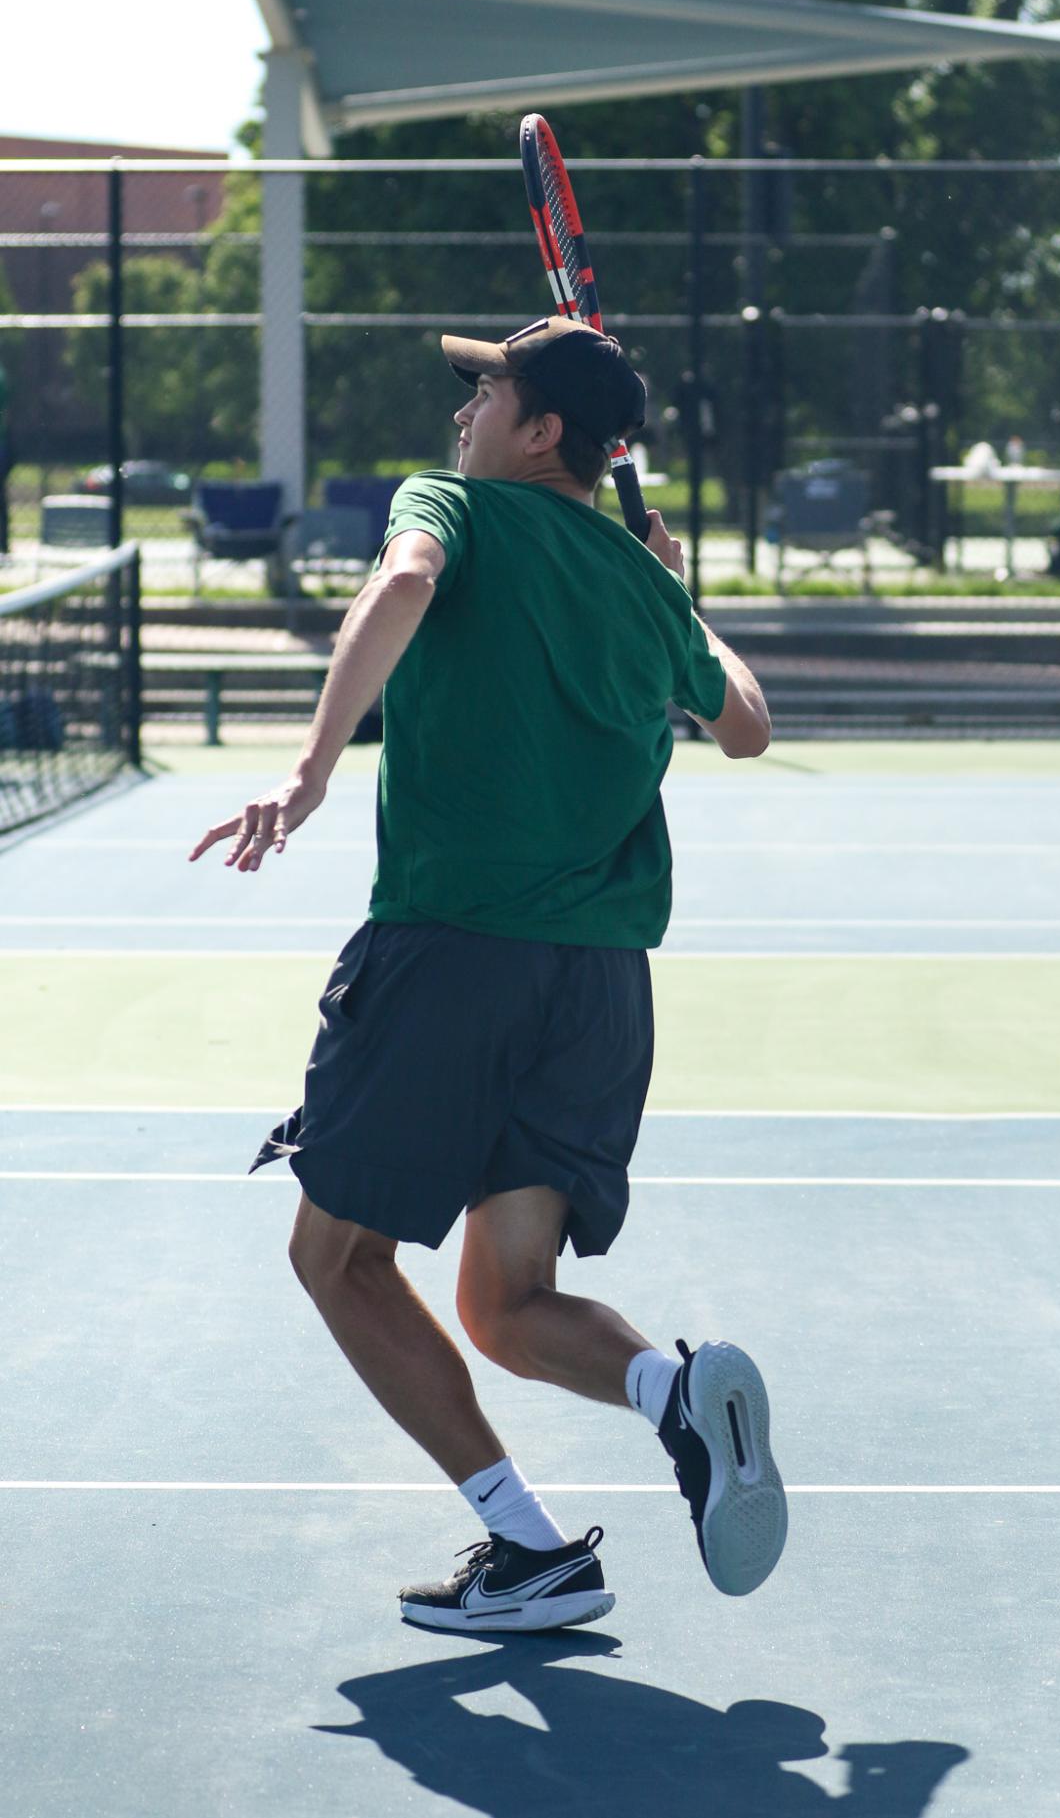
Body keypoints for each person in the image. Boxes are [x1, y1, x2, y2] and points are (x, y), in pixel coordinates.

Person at [190, 316, 787, 1632]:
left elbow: (402, 584)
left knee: (335, 1258)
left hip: (452, 953)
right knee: (505, 1302)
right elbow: (744, 725)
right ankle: (671, 1396)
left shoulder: (452, 504)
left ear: (541, 431)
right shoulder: (640, 585)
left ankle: (526, 1546)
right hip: (599, 990)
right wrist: (676, 598)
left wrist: (308, 772)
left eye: (487, 386)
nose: (463, 406)